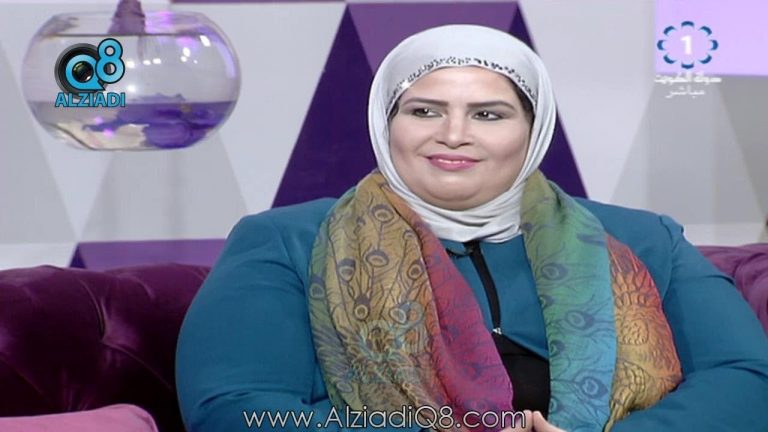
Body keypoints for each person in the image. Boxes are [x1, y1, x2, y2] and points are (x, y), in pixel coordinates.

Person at [175, 25, 768, 432]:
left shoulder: (644, 241)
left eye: (489, 114)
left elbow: (747, 379)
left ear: (533, 131)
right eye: (424, 111)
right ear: (387, 123)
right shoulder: (287, 241)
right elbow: (236, 408)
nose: (454, 134)